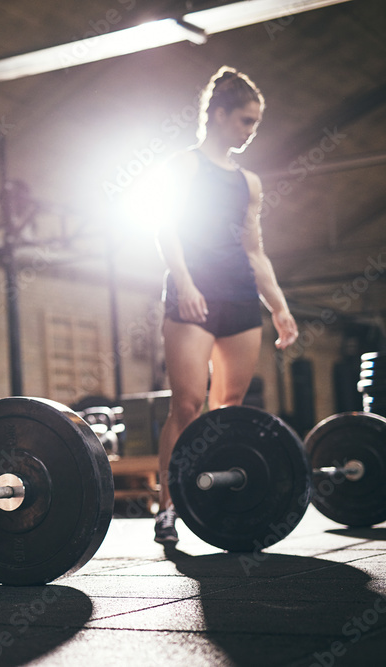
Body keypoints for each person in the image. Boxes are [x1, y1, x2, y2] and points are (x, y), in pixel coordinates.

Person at [153, 66, 299, 544]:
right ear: (218, 115)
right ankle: (168, 508)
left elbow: (255, 251)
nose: (251, 131)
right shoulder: (185, 166)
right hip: (193, 294)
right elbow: (166, 228)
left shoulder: (249, 183)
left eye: (255, 122)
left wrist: (278, 306)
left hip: (239, 294)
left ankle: (210, 500)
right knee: (188, 405)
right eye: (244, 121)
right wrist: (186, 283)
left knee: (229, 406)